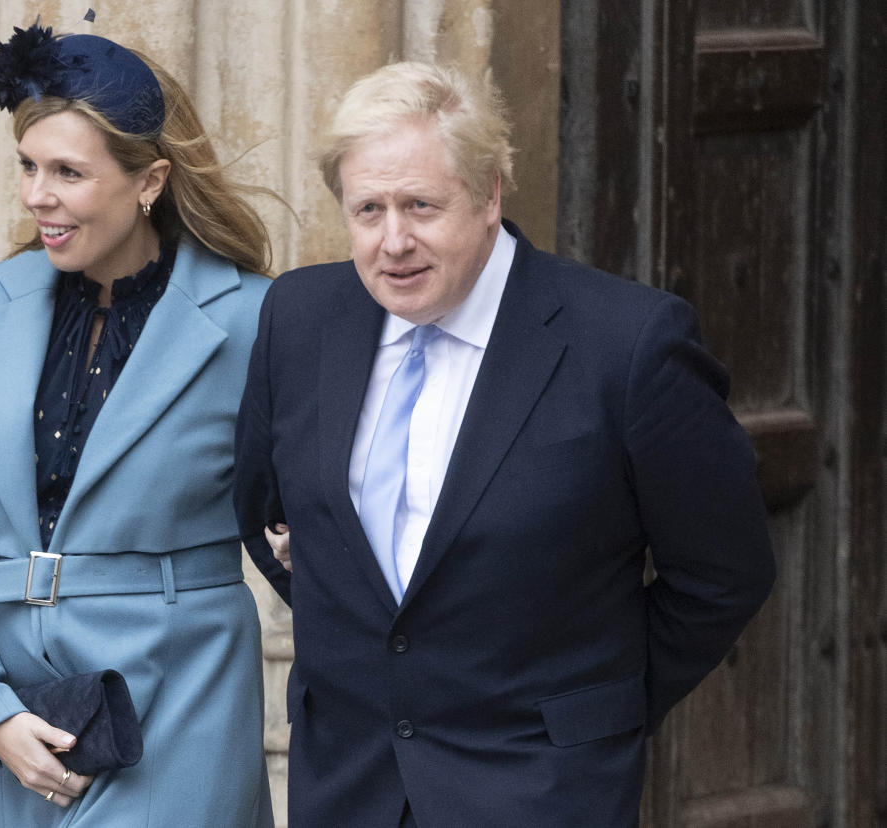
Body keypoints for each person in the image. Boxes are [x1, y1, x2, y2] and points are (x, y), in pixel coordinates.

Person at [234, 61, 775, 827]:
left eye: (421, 205)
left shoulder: (626, 343)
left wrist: (589, 714)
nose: (393, 242)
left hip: (541, 789)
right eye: (367, 210)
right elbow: (268, 515)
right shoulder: (299, 316)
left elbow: (726, 573)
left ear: (490, 192)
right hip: (346, 784)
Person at [0, 21, 273, 827]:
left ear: (150, 181)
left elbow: (306, 522)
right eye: (29, 167)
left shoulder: (252, 318)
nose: (39, 194)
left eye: (69, 172)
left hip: (183, 701)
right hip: (23, 718)